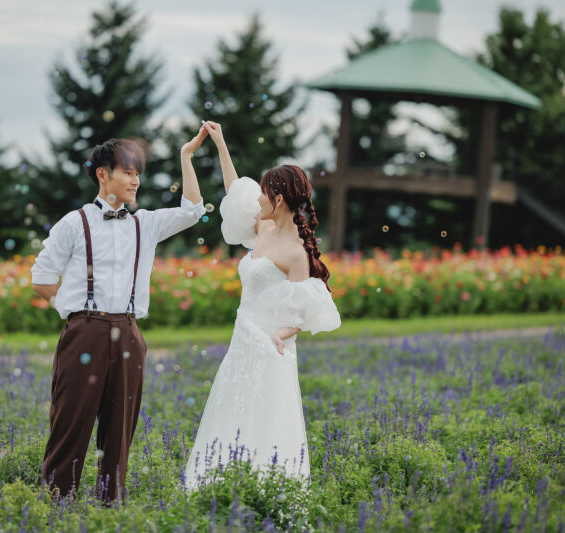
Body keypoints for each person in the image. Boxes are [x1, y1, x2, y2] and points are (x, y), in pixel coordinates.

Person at [32, 128, 209, 503]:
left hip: (129, 333)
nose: (135, 181)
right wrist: (73, 310)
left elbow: (193, 210)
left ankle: (110, 507)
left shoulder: (146, 223)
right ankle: (56, 505)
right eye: (128, 172)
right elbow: (41, 278)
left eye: (137, 173)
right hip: (84, 332)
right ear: (102, 174)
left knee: (120, 429)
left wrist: (186, 156)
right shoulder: (74, 222)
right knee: (70, 423)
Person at [184, 121, 341, 489]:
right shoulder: (263, 228)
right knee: (231, 409)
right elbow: (235, 191)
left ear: (279, 200)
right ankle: (220, 487)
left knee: (264, 417)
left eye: (264, 194)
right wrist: (221, 144)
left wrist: (278, 337)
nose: (256, 200)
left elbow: (305, 309)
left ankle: (263, 491)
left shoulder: (296, 252)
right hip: (242, 340)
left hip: (269, 346)